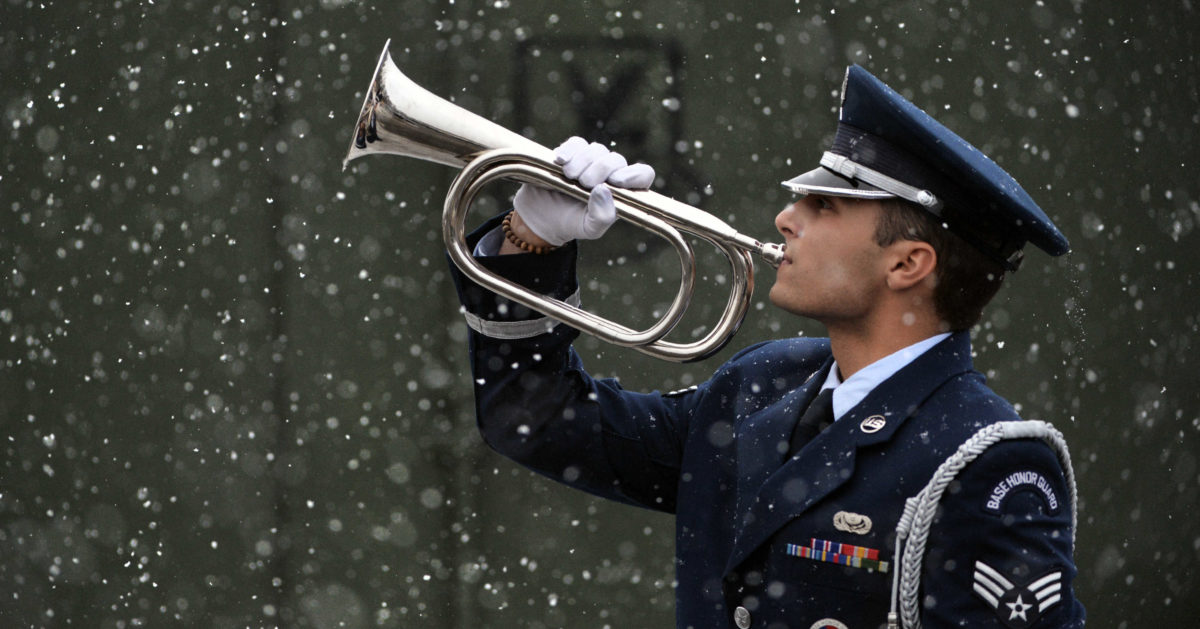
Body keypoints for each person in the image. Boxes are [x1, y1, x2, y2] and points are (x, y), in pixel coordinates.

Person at [449, 65, 1085, 629]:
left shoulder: (989, 463)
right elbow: (532, 420)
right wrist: (531, 241)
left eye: (826, 204)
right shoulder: (759, 386)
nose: (787, 217)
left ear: (908, 265)